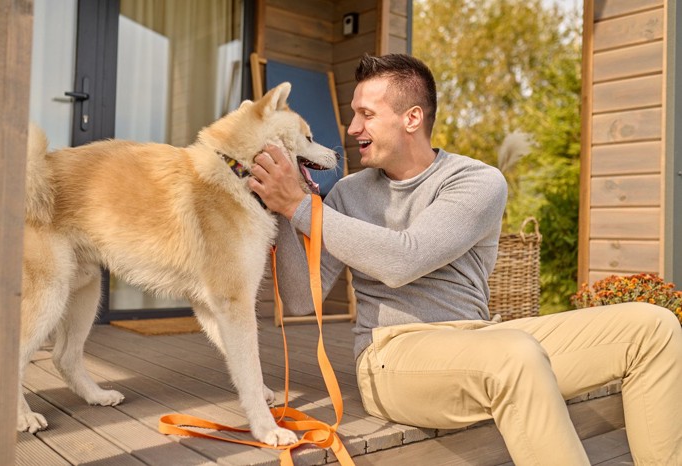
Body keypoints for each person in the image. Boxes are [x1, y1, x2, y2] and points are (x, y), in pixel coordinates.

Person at [248, 53, 682, 465]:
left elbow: (404, 260)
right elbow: (302, 299)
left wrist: (300, 209)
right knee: (514, 354)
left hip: (482, 340)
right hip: (392, 358)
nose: (351, 126)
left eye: (367, 114)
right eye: (353, 113)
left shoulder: (476, 181)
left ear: (411, 118)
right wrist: (288, 206)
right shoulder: (346, 194)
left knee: (653, 326)